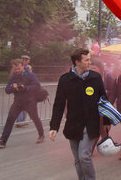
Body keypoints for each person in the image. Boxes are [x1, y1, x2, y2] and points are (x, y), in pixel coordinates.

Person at [49, 48, 110, 180]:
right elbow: (58, 104)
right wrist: (54, 126)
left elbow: (104, 100)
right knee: (77, 160)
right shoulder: (65, 80)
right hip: (73, 125)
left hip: (91, 125)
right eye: (86, 60)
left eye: (90, 59)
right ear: (77, 62)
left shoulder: (95, 77)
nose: (90, 62)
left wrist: (106, 121)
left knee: (84, 157)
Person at [0, 59, 44, 148]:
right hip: (18, 102)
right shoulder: (13, 76)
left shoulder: (30, 75)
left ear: (23, 66)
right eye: (15, 69)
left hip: (29, 101)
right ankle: (3, 141)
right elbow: (7, 90)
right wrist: (13, 87)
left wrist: (25, 87)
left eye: (19, 68)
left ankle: (41, 135)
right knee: (10, 119)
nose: (17, 71)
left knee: (35, 118)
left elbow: (37, 86)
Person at [15, 54, 33, 127]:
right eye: (23, 59)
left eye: (26, 60)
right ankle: (18, 121)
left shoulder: (29, 67)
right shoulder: (18, 67)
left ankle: (22, 120)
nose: (25, 61)